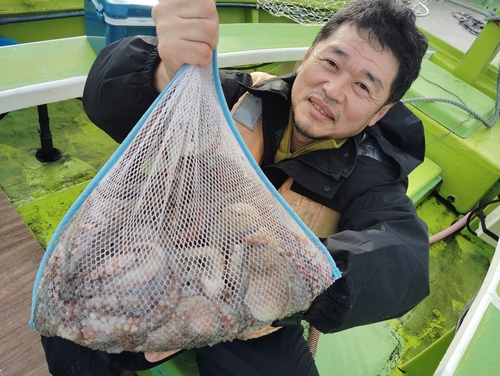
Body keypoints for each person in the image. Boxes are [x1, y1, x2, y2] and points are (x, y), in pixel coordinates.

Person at [41, 0, 430, 374]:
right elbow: (106, 97)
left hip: (260, 307)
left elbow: (404, 260)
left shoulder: (373, 180)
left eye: (363, 87)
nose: (333, 89)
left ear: (380, 113)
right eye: (331, 62)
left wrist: (284, 281)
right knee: (72, 314)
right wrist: (163, 71)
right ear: (309, 53)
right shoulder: (234, 96)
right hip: (162, 251)